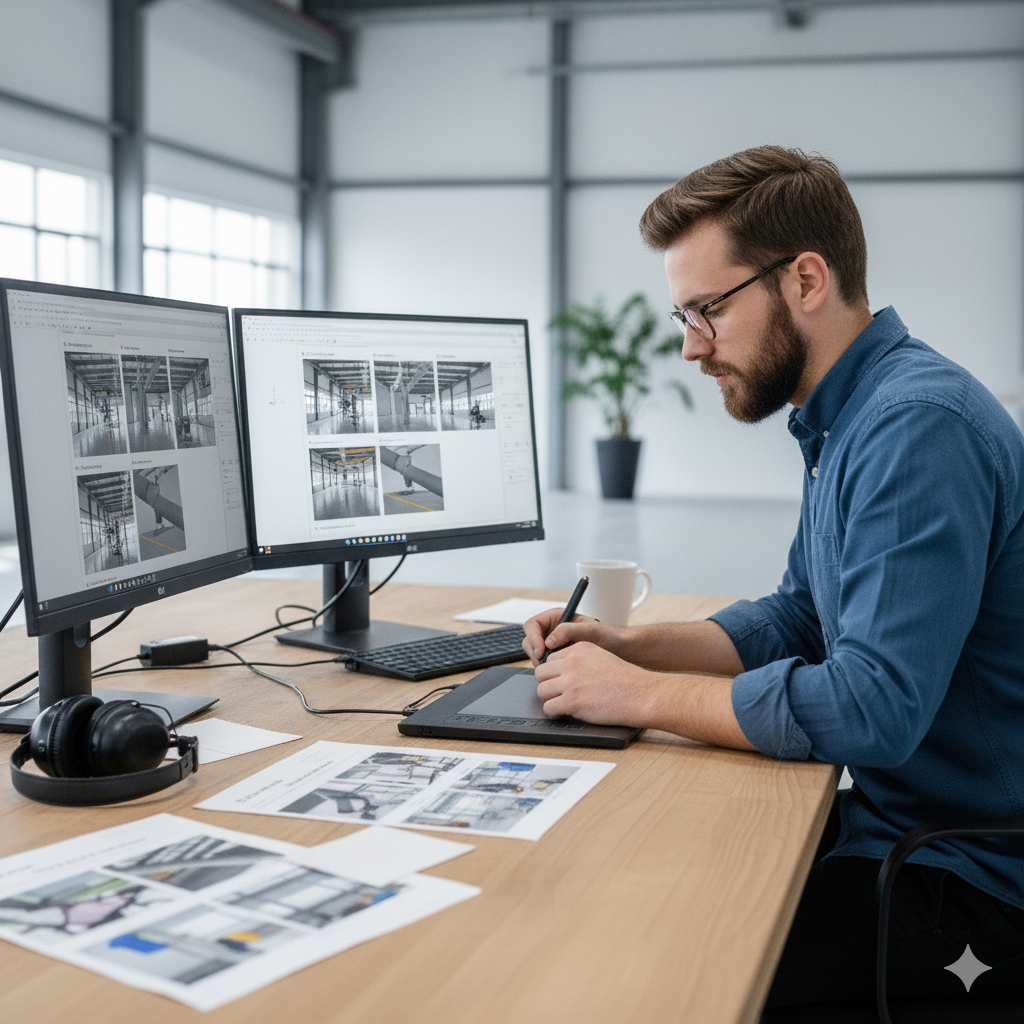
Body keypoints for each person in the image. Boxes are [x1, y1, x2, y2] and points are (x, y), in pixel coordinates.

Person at [523, 145, 1024, 1009]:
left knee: (678, 978)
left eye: (708, 310)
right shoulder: (847, 417)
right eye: (684, 315)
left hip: (974, 876)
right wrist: (630, 648)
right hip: (903, 828)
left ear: (806, 280)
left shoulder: (916, 427)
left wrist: (640, 697)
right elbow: (798, 617)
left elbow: (871, 707)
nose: (691, 346)